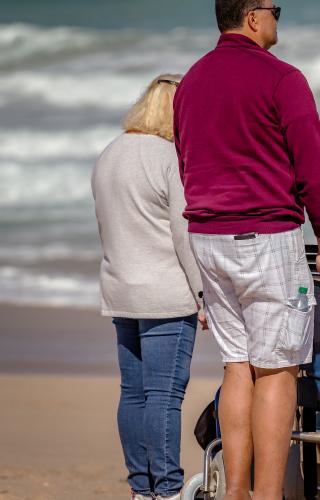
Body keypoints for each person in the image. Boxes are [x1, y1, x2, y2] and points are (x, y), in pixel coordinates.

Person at [173, 1, 320, 498]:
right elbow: (315, 164)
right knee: (277, 369)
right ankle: (268, 495)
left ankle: (236, 492)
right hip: (264, 237)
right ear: (253, 16)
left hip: (207, 236)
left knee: (236, 364)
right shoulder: (281, 78)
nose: (279, 19)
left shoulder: (190, 82)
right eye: (276, 9)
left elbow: (187, 159)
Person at [91, 74, 206, 500]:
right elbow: (183, 233)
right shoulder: (169, 157)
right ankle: (169, 489)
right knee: (164, 395)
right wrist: (203, 294)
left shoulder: (109, 153)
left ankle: (141, 488)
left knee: (134, 394)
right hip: (165, 293)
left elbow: (107, 224)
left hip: (120, 289)